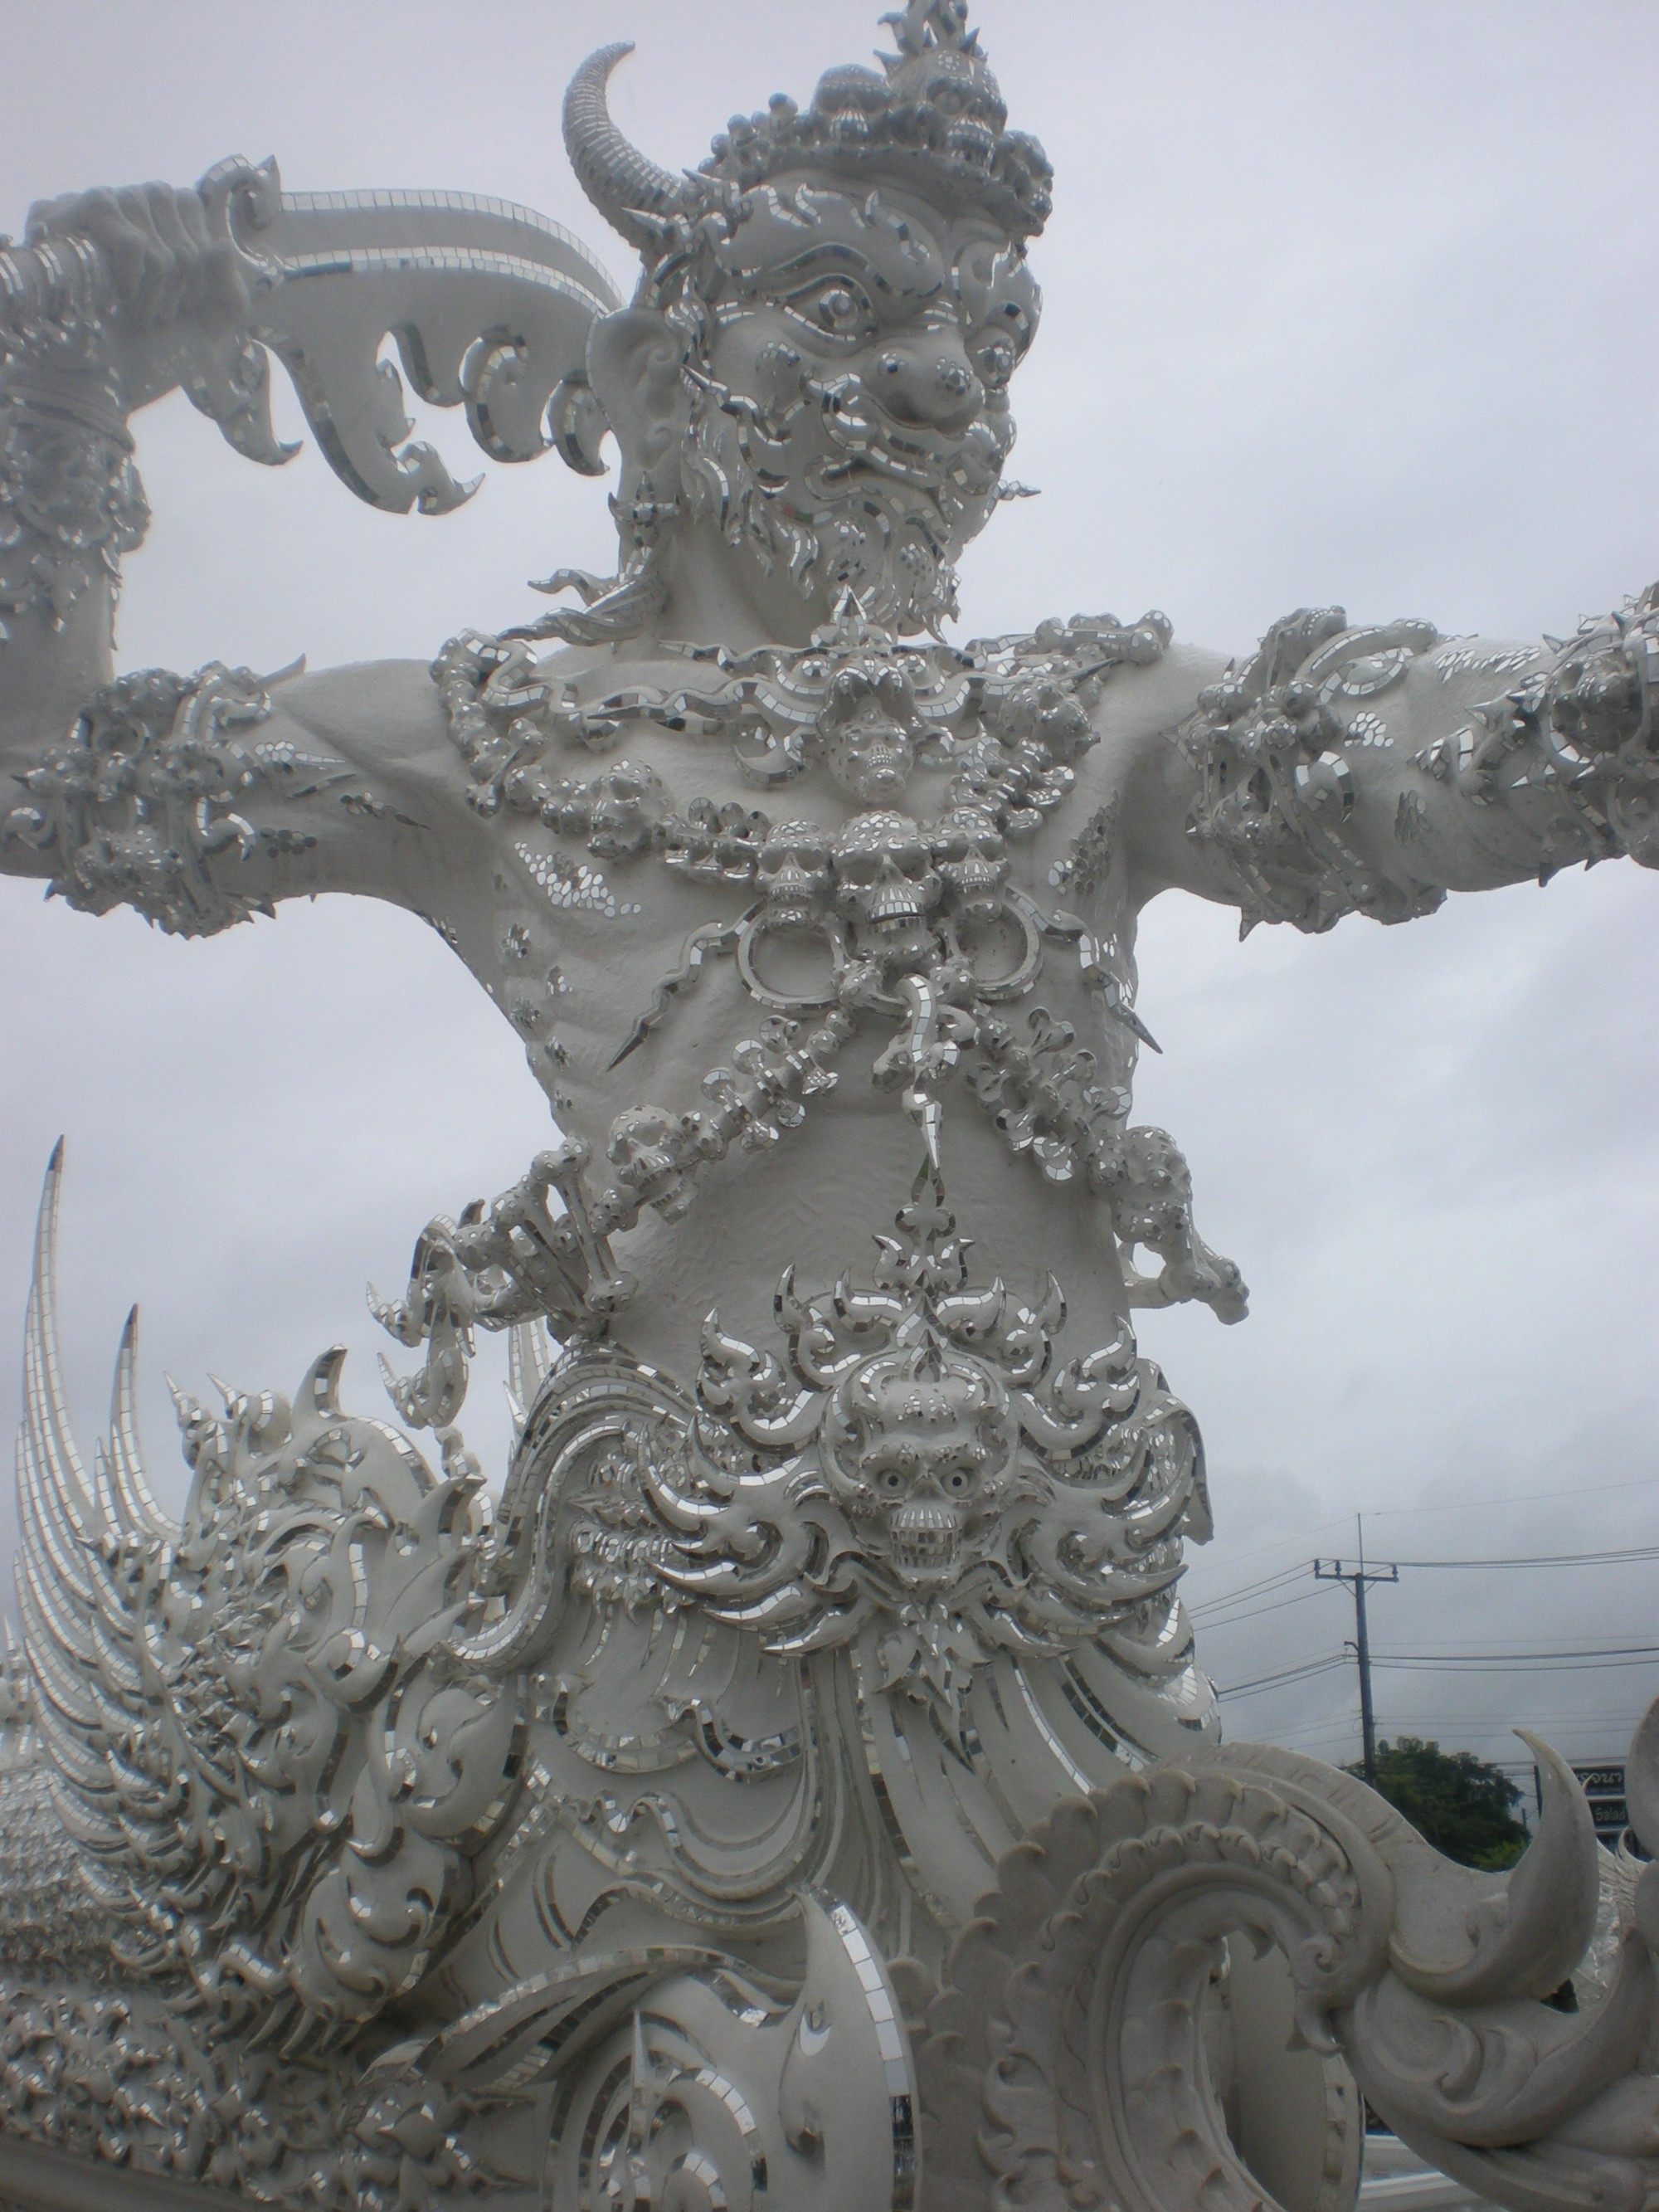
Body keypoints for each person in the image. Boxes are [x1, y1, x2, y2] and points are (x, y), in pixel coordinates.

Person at [0, 7, 1652, 2204]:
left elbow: (1426, 756)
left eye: (987, 333)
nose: (942, 385)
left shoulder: (1101, 718)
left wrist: (1612, 702)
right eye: (848, 307)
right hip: (668, 1730)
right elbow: (52, 767)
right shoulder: (505, 739)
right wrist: (66, 363)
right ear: (675, 360)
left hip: (1096, 1721)